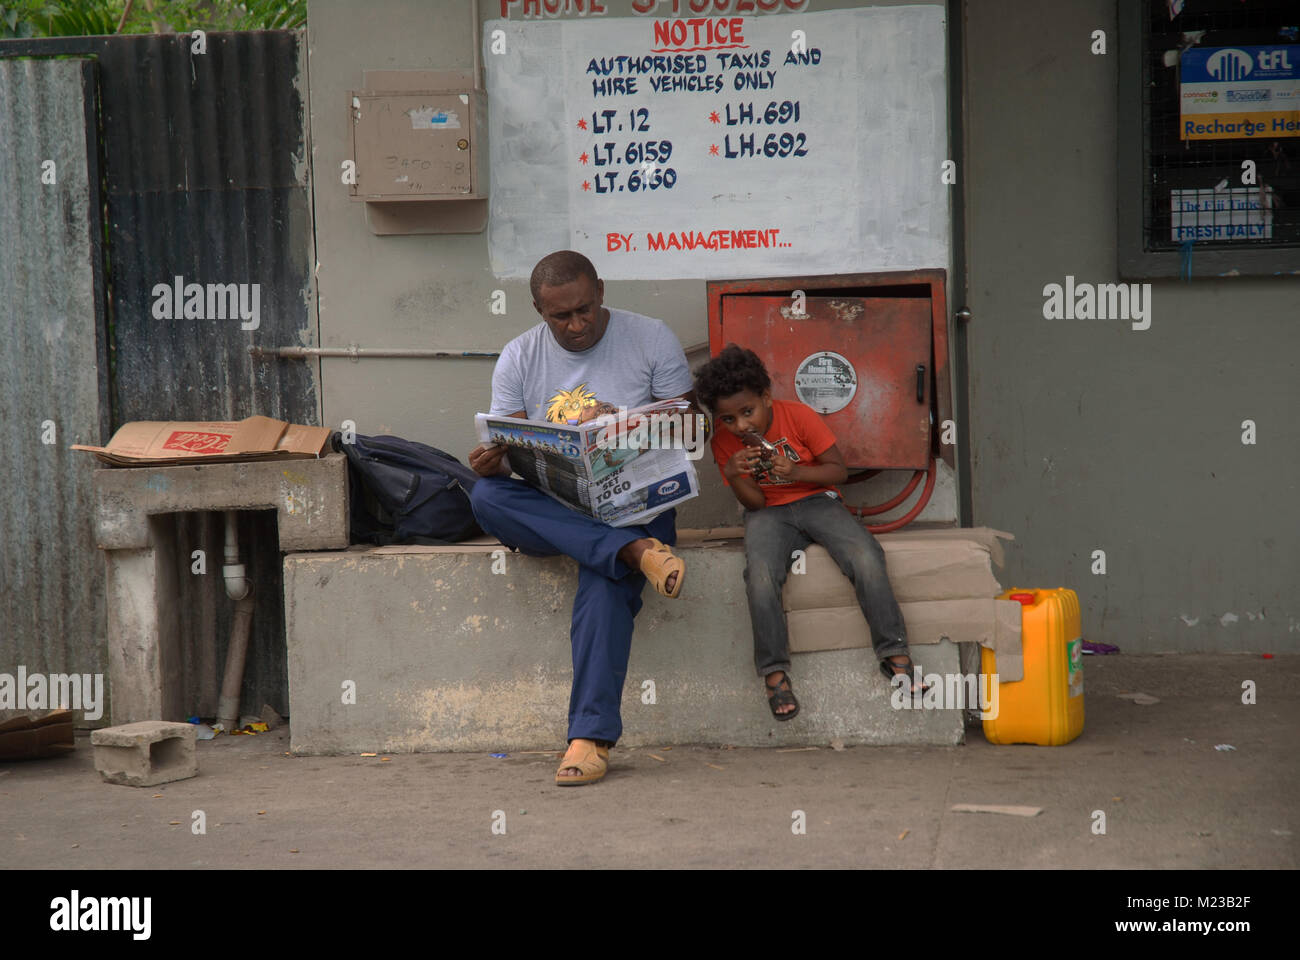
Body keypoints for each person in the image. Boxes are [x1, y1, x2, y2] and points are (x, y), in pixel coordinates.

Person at [466, 250, 697, 786]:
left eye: (585, 310)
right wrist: (494, 462)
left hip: (638, 507)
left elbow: (688, 434)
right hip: (557, 510)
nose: (576, 325)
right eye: (560, 317)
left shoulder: (651, 336)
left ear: (600, 290)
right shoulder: (519, 357)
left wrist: (619, 423)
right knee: (484, 497)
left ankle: (588, 739)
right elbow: (512, 451)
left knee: (603, 579)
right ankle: (631, 553)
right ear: (538, 310)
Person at [693, 344, 927, 721]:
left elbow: (839, 472)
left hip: (817, 500)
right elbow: (753, 504)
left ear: (767, 398)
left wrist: (797, 473)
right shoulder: (724, 445)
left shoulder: (797, 416)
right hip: (768, 512)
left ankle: (895, 656)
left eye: (748, 412)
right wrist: (735, 474)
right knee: (760, 576)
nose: (741, 426)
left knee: (864, 556)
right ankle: (774, 675)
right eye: (728, 419)